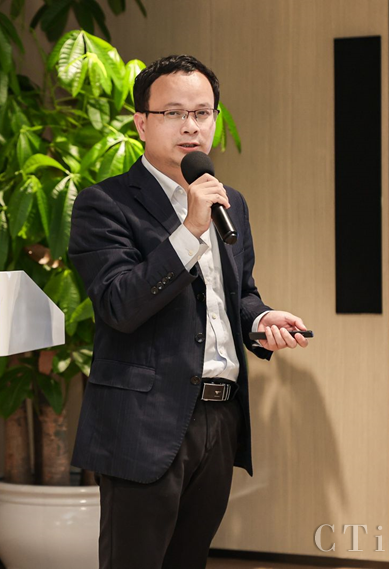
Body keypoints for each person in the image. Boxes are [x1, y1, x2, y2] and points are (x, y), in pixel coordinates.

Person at [67, 54, 311, 569]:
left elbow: (236, 295)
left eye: (202, 113)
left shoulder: (230, 202)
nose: (191, 126)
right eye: (174, 113)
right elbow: (118, 304)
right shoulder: (104, 204)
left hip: (220, 416)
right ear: (141, 123)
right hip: (143, 423)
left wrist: (260, 320)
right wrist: (189, 231)